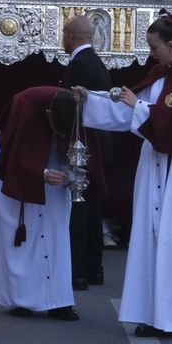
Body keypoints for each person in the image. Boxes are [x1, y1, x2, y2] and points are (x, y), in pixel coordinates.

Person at [73, 12, 172, 340]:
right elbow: (130, 110)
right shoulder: (160, 73)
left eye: (154, 47)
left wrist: (137, 108)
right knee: (151, 238)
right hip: (154, 161)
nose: (150, 53)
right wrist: (92, 100)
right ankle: (155, 313)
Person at [0, 86, 100, 321]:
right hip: (13, 168)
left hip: (54, 164)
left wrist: (72, 173)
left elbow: (80, 146)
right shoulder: (23, 104)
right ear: (48, 113)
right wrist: (40, 173)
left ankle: (59, 300)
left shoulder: (72, 107)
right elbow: (11, 154)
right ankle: (19, 298)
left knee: (56, 230)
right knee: (22, 231)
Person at [58, 15, 112, 290]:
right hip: (98, 143)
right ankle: (93, 268)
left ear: (70, 36)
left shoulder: (79, 64)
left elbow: (69, 105)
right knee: (91, 207)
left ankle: (79, 270)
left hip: (85, 144)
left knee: (80, 207)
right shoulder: (94, 61)